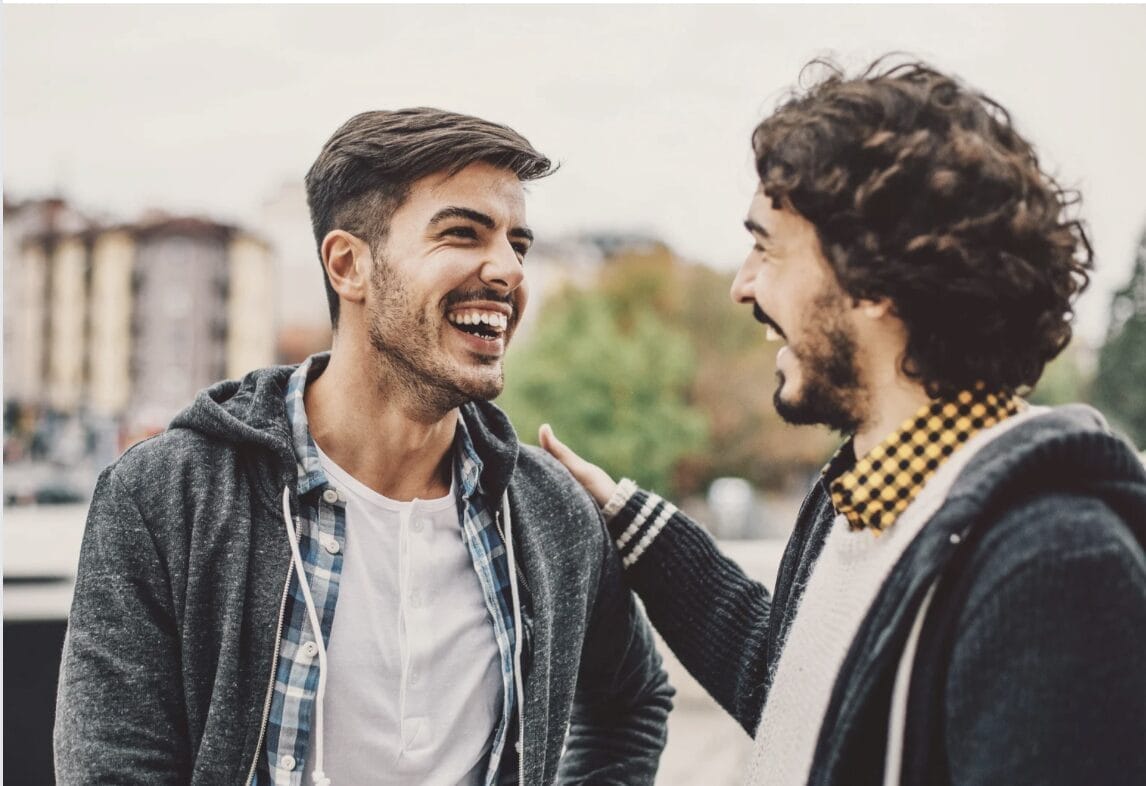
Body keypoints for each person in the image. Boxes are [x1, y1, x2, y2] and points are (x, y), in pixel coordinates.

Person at [541, 58, 1146, 786]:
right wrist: (625, 516)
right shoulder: (862, 493)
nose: (742, 285)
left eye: (766, 247)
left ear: (875, 283)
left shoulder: (1053, 566)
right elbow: (802, 697)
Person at [54, 108, 672, 786]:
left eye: (518, 244)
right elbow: (114, 768)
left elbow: (632, 701)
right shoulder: (167, 498)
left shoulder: (548, 510)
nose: (506, 270)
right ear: (349, 266)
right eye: (463, 233)